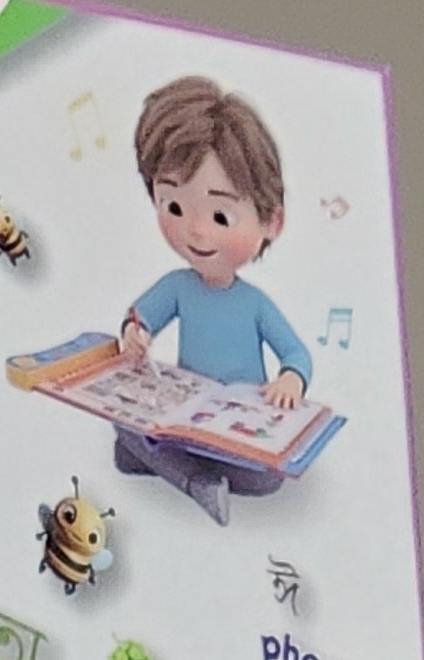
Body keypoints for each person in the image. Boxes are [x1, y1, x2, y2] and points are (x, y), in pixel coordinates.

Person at [114, 75, 312, 522]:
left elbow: (297, 354)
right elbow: (139, 316)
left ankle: (179, 471)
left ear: (272, 222)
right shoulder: (178, 286)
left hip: (240, 422)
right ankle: (196, 481)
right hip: (185, 414)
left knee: (266, 478)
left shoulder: (255, 304)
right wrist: (134, 334)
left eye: (221, 216)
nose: (197, 232)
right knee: (124, 425)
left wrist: (290, 380)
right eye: (174, 207)